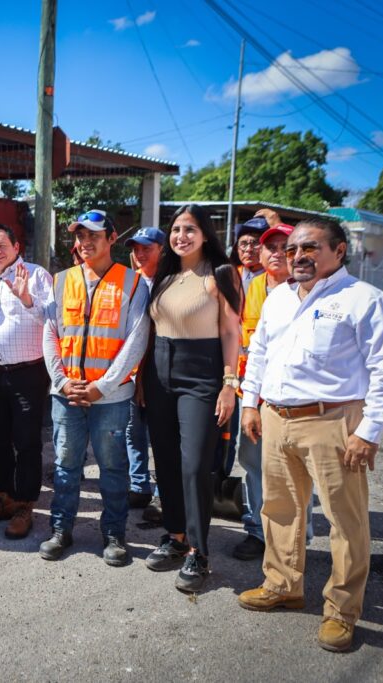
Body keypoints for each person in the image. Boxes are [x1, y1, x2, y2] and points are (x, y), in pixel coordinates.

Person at [237, 218, 383, 653]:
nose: (297, 256)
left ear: (338, 251)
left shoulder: (365, 300)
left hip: (334, 422)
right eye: (293, 249)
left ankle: (341, 610)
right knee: (279, 509)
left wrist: (368, 432)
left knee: (345, 521)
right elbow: (259, 352)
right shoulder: (277, 297)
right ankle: (282, 584)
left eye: (310, 248)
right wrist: (250, 403)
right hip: (276, 418)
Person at [140, 204, 242, 593]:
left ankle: (199, 550)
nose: (181, 236)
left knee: (196, 463)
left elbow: (232, 333)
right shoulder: (165, 274)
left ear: (206, 234)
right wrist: (142, 380)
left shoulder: (220, 273)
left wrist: (229, 384)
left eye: (190, 229)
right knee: (164, 459)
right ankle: (176, 535)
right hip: (160, 371)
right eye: (176, 229)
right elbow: (154, 327)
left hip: (202, 373)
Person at [39, 211, 149, 564]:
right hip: (66, 394)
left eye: (94, 236)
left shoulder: (133, 283)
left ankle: (114, 533)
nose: (86, 242)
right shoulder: (61, 280)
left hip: (111, 398)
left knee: (113, 467)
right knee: (65, 465)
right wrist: (62, 381)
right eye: (81, 236)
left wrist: (104, 386)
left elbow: (136, 339)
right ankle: (61, 529)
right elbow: (50, 335)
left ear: (112, 238)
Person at [0, 223, 53, 540]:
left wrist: (27, 300)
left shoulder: (35, 275)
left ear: (16, 247)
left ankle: (25, 504)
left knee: (27, 441)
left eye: (1, 245)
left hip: (27, 373)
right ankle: (4, 497)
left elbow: (53, 319)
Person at [233, 223, 299, 560]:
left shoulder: (308, 291)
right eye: (269, 246)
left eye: (283, 246)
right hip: (254, 398)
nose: (275, 253)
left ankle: (294, 542)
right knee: (254, 466)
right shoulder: (249, 287)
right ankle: (257, 532)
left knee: (293, 474)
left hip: (295, 402)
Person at [123, 227, 165, 517]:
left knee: (161, 435)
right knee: (132, 432)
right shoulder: (130, 283)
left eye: (146, 248)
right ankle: (139, 487)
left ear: (162, 250)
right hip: (131, 371)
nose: (140, 253)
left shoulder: (169, 284)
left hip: (159, 371)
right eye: (136, 248)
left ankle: (164, 494)